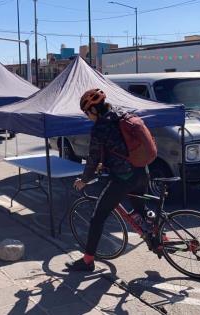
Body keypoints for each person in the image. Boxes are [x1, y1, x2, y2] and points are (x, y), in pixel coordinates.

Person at [65, 88, 150, 272]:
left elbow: (93, 158)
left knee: (97, 217)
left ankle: (87, 261)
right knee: (140, 211)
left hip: (123, 177)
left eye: (87, 113)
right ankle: (158, 240)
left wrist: (84, 180)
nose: (87, 116)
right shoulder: (121, 114)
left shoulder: (100, 128)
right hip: (142, 171)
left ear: (94, 110)